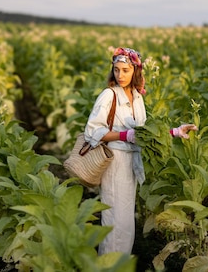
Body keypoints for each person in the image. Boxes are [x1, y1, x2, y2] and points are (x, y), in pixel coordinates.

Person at [83, 46, 197, 255]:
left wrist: (175, 131)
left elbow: (145, 132)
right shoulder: (109, 95)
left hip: (130, 164)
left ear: (135, 70)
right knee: (113, 221)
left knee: (125, 222)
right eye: (116, 70)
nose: (120, 75)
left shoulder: (137, 97)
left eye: (125, 70)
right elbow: (92, 131)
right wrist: (124, 135)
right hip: (114, 161)